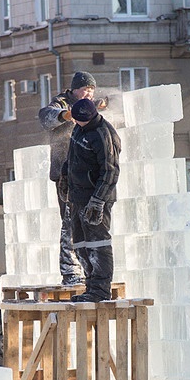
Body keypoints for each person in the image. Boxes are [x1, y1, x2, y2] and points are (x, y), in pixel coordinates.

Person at [38, 71, 107, 287]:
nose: (88, 93)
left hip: (86, 175)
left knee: (86, 222)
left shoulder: (90, 106)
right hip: (65, 174)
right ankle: (70, 271)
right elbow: (46, 117)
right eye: (85, 89)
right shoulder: (61, 102)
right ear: (75, 89)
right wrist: (67, 115)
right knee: (69, 221)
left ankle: (88, 268)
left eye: (91, 90)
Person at [61, 97, 121, 302]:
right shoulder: (80, 129)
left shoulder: (103, 135)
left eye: (79, 120)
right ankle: (90, 286)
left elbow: (110, 172)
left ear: (89, 117)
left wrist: (98, 200)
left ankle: (100, 290)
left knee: (98, 243)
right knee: (80, 243)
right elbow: (73, 157)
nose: (75, 123)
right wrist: (65, 177)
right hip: (79, 196)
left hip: (96, 199)